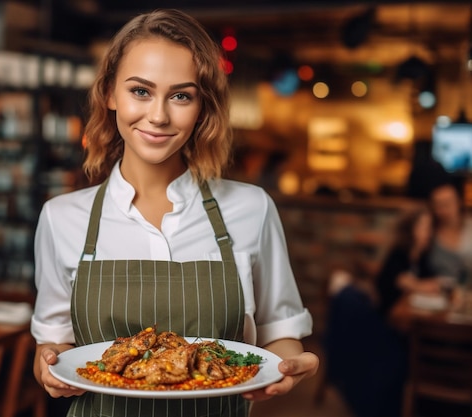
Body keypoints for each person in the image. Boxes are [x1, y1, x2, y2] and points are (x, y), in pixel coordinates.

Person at [31, 8, 318, 417]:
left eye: (181, 95)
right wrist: (50, 369)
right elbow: (53, 346)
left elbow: (282, 338)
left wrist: (290, 366)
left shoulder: (251, 209)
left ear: (203, 107)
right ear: (110, 94)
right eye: (140, 91)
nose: (159, 115)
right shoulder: (61, 218)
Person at [324, 205, 441, 417]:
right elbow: (404, 282)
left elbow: (427, 280)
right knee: (406, 351)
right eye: (424, 227)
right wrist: (425, 285)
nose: (428, 232)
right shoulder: (399, 254)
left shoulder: (421, 256)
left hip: (400, 323)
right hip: (382, 323)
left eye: (429, 227)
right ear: (411, 230)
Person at [427, 181, 472, 283]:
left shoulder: (470, 227)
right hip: (439, 291)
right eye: (439, 205)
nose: (444, 210)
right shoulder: (429, 234)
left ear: (459, 202)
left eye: (448, 203)